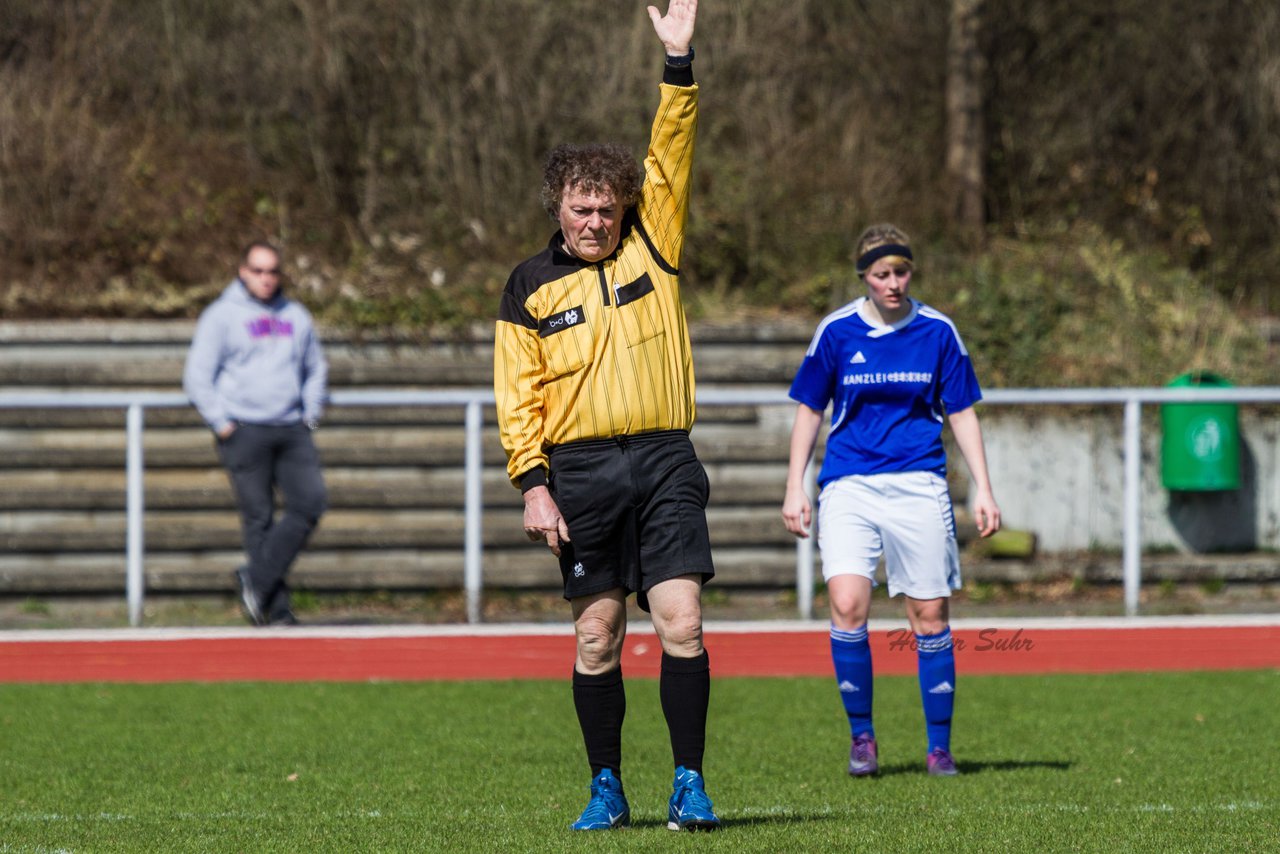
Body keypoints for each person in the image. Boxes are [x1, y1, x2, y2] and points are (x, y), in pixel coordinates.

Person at [493, 0, 720, 833]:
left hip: (663, 459)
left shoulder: (652, 245)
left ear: (626, 208)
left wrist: (677, 62)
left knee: (682, 620)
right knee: (597, 637)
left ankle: (690, 782)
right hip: (580, 472)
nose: (595, 222)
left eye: (607, 209)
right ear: (558, 205)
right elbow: (516, 394)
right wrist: (532, 484)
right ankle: (606, 786)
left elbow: (672, 152)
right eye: (580, 209)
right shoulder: (527, 286)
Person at [781, 223, 1001, 778]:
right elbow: (810, 409)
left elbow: (963, 411)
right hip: (849, 484)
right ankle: (862, 739)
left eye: (901, 271)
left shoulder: (938, 331)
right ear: (865, 277)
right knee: (849, 605)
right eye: (882, 274)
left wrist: (984, 487)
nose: (894, 282)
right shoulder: (835, 331)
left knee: (929, 614)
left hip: (919, 483)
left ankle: (939, 747)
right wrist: (795, 484)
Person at [183, 240, 329, 627]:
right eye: (258, 271)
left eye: (272, 271)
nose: (266, 279)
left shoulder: (296, 315)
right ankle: (277, 609)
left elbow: (315, 368)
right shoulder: (220, 316)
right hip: (244, 430)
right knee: (259, 519)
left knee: (310, 503)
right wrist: (223, 423)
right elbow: (198, 377)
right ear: (243, 271)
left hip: (291, 428)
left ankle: (255, 580)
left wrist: (310, 415)